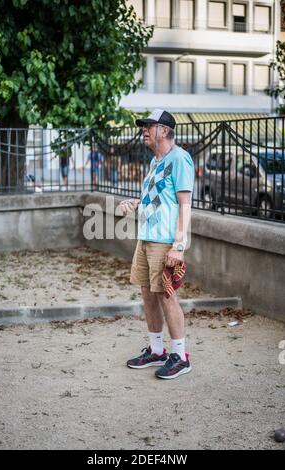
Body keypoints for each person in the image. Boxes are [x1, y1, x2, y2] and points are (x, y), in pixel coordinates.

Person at [120, 109, 194, 380]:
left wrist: (179, 245)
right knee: (147, 293)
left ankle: (180, 356)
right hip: (147, 237)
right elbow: (160, 197)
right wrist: (136, 203)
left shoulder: (181, 159)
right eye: (144, 126)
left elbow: (185, 205)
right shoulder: (155, 162)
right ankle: (156, 350)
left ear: (164, 130)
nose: (144, 130)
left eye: (149, 126)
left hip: (165, 241)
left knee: (166, 295)